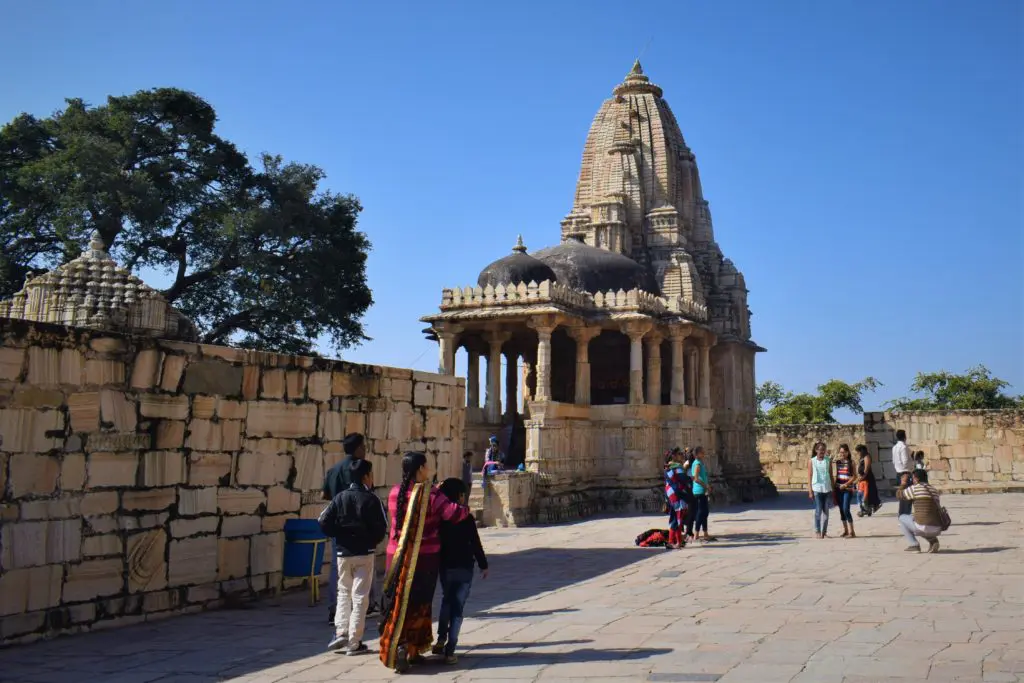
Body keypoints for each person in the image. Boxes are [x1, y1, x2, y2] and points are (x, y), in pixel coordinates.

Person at [379, 452, 469, 674]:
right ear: (420, 469)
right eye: (427, 466)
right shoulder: (431, 495)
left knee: (398, 603)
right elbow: (455, 514)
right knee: (419, 604)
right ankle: (413, 648)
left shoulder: (394, 493)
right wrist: (460, 503)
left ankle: (398, 646)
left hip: (396, 558)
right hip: (424, 559)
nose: (429, 470)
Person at [327, 459, 388, 655]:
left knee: (343, 591)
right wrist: (371, 540)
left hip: (343, 553)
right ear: (365, 477)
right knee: (360, 596)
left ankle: (340, 632)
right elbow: (382, 526)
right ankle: (354, 641)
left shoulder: (339, 498)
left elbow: (323, 521)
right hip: (364, 553)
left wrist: (339, 534)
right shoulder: (372, 499)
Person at [432, 478, 489, 664]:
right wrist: (483, 564)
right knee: (458, 609)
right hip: (464, 567)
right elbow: (475, 542)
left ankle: (441, 639)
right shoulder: (466, 517)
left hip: (445, 566)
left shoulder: (441, 519)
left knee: (446, 600)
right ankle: (450, 650)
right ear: (461, 496)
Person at [322, 433, 369, 624]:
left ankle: (335, 607)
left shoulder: (333, 470)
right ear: (358, 448)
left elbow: (325, 494)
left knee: (338, 567)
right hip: (358, 525)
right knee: (363, 567)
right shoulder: (359, 470)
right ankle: (363, 607)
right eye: (363, 446)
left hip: (338, 525)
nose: (365, 450)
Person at [896, 469, 944, 553]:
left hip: (922, 526)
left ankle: (914, 545)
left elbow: (899, 495)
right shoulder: (934, 490)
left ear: (917, 479)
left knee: (902, 518)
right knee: (921, 520)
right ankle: (933, 541)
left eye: (913, 478)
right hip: (937, 527)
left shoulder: (915, 488)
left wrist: (903, 483)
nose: (912, 480)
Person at [663, 451, 691, 549]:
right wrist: (685, 468)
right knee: (679, 518)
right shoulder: (677, 468)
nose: (681, 456)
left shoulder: (667, 468)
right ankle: (679, 542)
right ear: (673, 456)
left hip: (670, 495)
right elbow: (684, 479)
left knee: (674, 518)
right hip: (678, 495)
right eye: (679, 454)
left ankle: (671, 541)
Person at [807, 441, 833, 539]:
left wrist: (833, 487)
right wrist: (810, 491)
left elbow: (830, 474)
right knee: (818, 511)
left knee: (826, 511)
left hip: (827, 488)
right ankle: (817, 531)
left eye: (823, 449)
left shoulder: (828, 460)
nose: (822, 451)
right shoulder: (812, 461)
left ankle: (824, 532)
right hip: (816, 488)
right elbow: (809, 476)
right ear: (816, 450)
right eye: (820, 449)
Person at [689, 446, 715, 542]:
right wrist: (706, 486)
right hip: (699, 491)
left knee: (705, 512)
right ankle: (696, 533)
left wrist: (707, 486)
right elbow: (695, 478)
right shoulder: (697, 464)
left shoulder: (699, 463)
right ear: (698, 454)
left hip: (702, 490)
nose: (704, 453)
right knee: (701, 512)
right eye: (702, 452)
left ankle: (705, 532)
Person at [833, 444, 856, 538]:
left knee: (846, 508)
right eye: (840, 452)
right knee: (841, 510)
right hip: (838, 489)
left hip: (847, 489)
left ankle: (852, 531)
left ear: (847, 452)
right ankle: (845, 530)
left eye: (844, 452)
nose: (842, 454)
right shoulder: (837, 462)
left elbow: (855, 476)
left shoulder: (851, 462)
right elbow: (835, 475)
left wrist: (846, 484)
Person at [854, 444, 881, 517]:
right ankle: (866, 510)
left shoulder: (867, 456)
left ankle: (867, 510)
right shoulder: (861, 458)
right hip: (862, 479)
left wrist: (861, 478)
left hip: (867, 478)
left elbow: (866, 469)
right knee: (863, 495)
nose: (858, 453)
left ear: (862, 450)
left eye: (858, 451)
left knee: (867, 495)